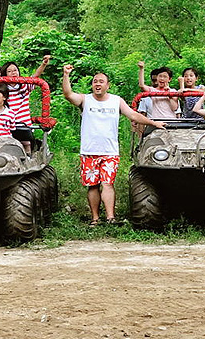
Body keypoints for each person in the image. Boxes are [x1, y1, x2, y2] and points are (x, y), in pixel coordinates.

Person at [61, 64, 160, 227]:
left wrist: (153, 123)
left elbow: (133, 115)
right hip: (89, 151)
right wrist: (66, 75)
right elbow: (68, 94)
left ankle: (110, 217)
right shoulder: (85, 99)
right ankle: (95, 219)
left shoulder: (116, 101)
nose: (97, 84)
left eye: (101, 81)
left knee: (107, 183)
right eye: (95, 81)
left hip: (110, 151)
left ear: (108, 85)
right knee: (92, 185)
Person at [2, 55, 51, 153]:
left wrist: (43, 64)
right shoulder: (3, 88)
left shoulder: (24, 85)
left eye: (15, 70)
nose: (13, 73)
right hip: (7, 123)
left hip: (23, 122)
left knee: (26, 144)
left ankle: (28, 158)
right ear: (5, 74)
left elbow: (35, 76)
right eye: (9, 71)